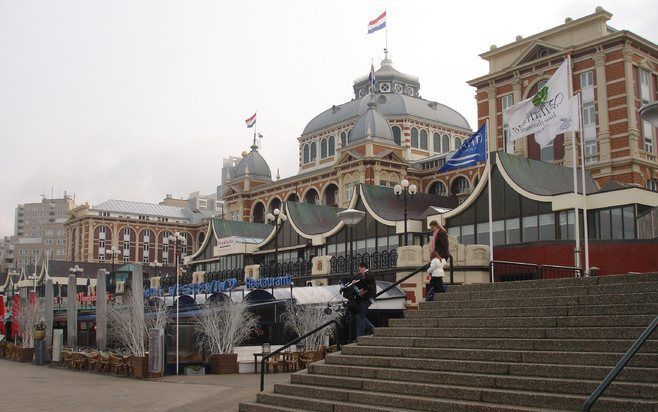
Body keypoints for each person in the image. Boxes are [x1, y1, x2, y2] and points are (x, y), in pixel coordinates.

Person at [349, 261, 376, 339]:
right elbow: (366, 284)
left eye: (360, 269)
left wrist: (355, 283)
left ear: (363, 268)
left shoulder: (368, 273)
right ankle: (372, 329)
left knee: (360, 316)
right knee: (361, 315)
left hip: (368, 298)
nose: (359, 271)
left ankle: (360, 336)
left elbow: (365, 281)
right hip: (367, 297)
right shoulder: (366, 274)